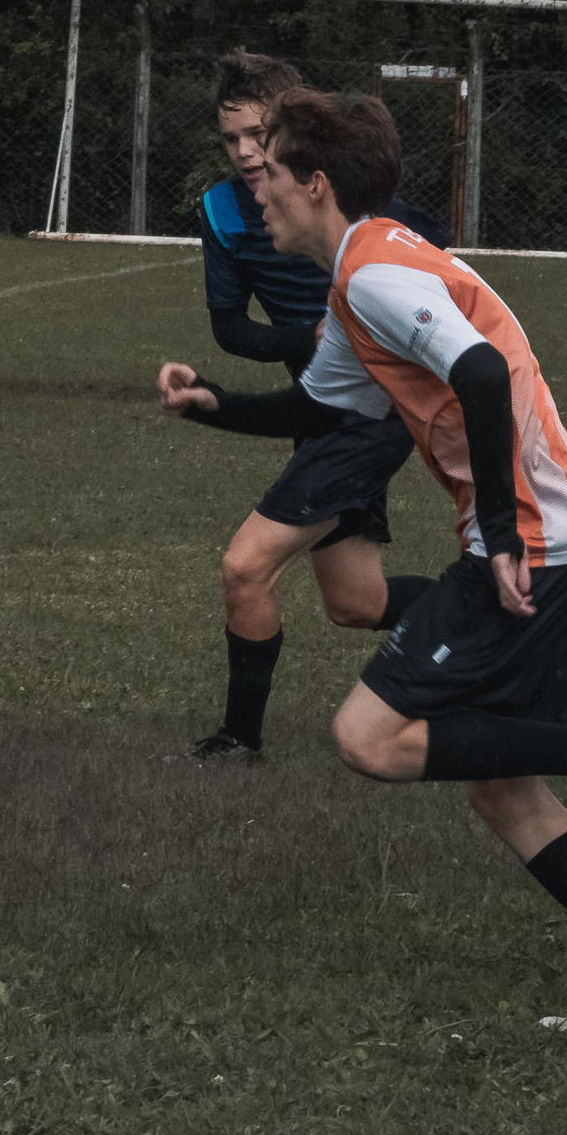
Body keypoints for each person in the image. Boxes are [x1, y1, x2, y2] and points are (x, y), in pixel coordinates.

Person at [162, 89, 567, 1035]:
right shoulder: (361, 275)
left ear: (317, 182)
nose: (257, 189)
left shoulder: (375, 275)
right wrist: (216, 402)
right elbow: (324, 408)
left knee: (367, 739)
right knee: (505, 793)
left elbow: (483, 375)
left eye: (274, 172)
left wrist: (498, 533)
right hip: (559, 536)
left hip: (532, 540)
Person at [189, 50, 450, 764]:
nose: (246, 153)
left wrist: (382, 330)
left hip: (368, 417)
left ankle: (240, 740)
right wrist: (301, 338)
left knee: (246, 567)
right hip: (317, 404)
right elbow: (228, 326)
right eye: (230, 139)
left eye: (259, 135)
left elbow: (436, 257)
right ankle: (477, 614)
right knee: (356, 603)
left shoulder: (354, 204)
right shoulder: (223, 210)